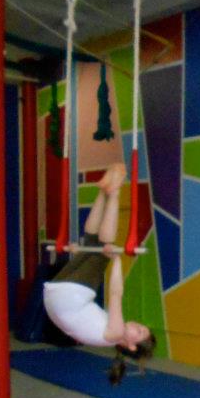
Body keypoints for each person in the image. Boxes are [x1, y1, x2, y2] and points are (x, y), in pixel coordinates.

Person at [42, 162, 156, 384]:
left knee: (105, 247)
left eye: (139, 331)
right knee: (91, 242)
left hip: (68, 298)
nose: (136, 325)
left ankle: (112, 193)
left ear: (130, 345)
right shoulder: (106, 337)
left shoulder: (114, 334)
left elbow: (115, 294)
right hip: (55, 298)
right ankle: (103, 192)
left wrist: (115, 260)